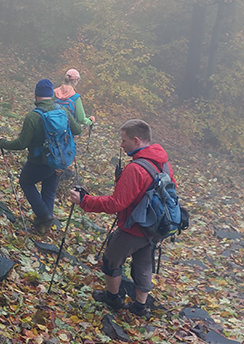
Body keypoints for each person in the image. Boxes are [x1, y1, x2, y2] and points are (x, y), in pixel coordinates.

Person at [69, 119, 175, 317]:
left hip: (132, 228)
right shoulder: (163, 164)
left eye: (124, 140)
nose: (121, 144)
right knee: (144, 265)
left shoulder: (135, 169)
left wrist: (84, 201)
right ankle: (140, 307)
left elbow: (116, 204)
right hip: (155, 228)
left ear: (136, 140)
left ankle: (113, 298)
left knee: (111, 261)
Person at [0, 78, 82, 234]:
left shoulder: (33, 117)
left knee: (26, 182)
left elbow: (21, 143)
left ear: (36, 95)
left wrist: (1, 142)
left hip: (39, 162)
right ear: (51, 95)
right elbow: (77, 130)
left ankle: (43, 216)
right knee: (48, 192)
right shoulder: (63, 111)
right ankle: (43, 228)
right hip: (60, 160)